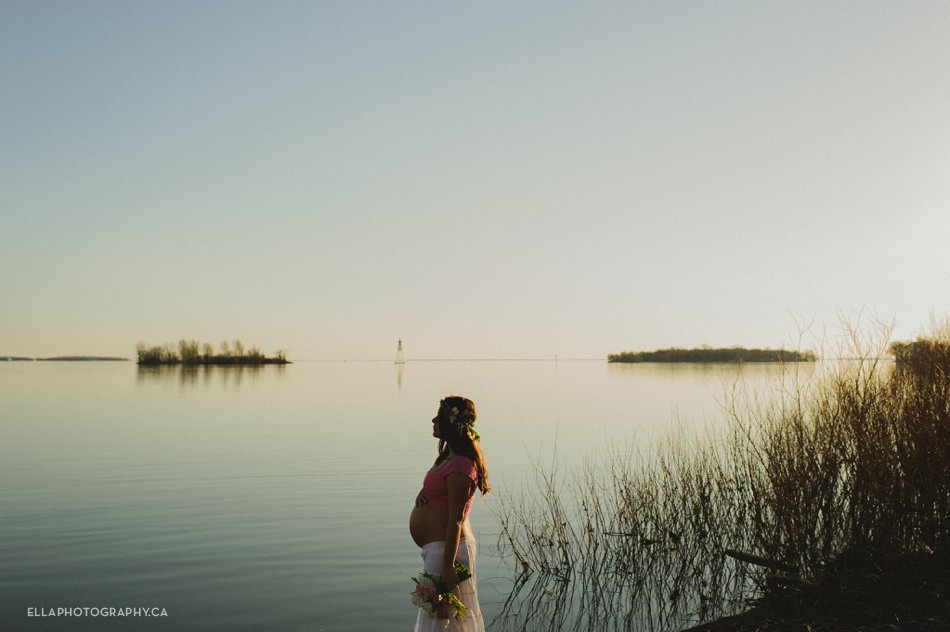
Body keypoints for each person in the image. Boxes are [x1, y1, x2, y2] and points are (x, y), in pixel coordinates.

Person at [409, 396, 490, 632]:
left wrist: (448, 567)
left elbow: (456, 519)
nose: (434, 420)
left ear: (453, 423)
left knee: (449, 623)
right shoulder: (449, 457)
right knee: (441, 622)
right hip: (439, 549)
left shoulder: (462, 465)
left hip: (449, 552)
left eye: (440, 417)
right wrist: (425, 493)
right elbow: (441, 492)